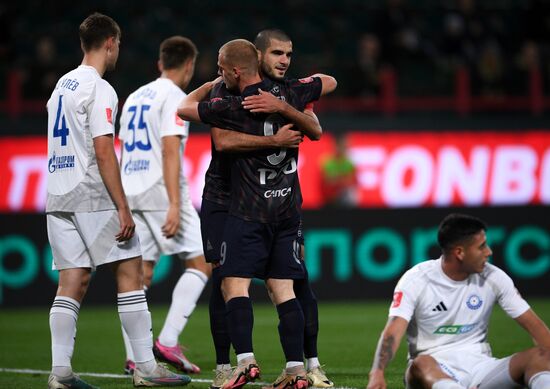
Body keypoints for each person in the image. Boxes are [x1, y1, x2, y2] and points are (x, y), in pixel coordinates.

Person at [178, 39, 336, 389]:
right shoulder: (292, 92)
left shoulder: (230, 103)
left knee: (232, 282)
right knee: (284, 287)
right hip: (283, 206)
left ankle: (246, 361)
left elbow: (186, 109)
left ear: (235, 69)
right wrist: (283, 118)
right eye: (278, 53)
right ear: (259, 58)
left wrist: (206, 88)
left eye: (221, 68)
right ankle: (297, 368)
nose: (284, 60)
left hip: (246, 209)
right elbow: (327, 86)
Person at [45, 13, 191, 388]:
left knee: (72, 282)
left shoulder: (61, 84)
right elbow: (104, 151)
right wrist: (123, 206)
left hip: (57, 194)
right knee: (130, 273)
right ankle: (146, 366)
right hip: (92, 194)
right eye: (119, 45)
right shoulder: (100, 88)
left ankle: (60, 373)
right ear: (111, 42)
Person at [366, 213, 550, 389]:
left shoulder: (494, 277)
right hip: (432, 366)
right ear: (459, 252)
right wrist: (377, 372)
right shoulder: (416, 280)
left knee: (539, 356)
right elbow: (394, 330)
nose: (489, 252)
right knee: (420, 364)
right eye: (482, 246)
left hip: (481, 368)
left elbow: (535, 326)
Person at [118, 35, 208, 376]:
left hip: (132, 190)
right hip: (161, 191)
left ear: (160, 63)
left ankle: (134, 357)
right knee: (201, 263)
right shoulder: (176, 97)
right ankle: (167, 340)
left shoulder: (135, 97)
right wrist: (173, 204)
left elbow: (124, 149)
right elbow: (171, 149)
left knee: (139, 274)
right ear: (189, 66)